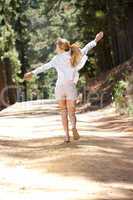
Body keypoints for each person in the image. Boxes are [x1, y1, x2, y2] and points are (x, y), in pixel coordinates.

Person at [24, 32, 104, 143]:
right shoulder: (74, 54)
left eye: (56, 46)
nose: (55, 48)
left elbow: (44, 67)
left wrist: (32, 73)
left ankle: (66, 136)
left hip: (59, 88)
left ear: (60, 47)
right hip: (70, 86)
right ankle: (74, 127)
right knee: (72, 112)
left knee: (63, 111)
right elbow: (86, 49)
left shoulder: (56, 59)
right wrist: (95, 40)